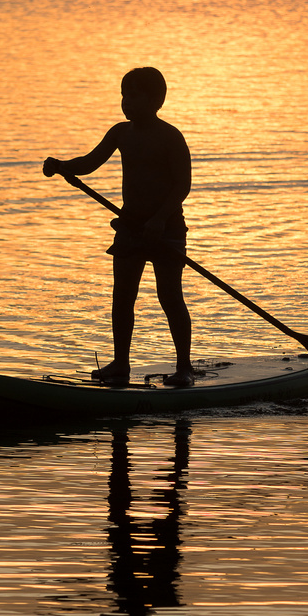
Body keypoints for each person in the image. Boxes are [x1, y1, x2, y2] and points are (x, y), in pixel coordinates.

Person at [42, 67, 194, 387]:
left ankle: (184, 367)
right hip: (130, 228)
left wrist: (159, 219)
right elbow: (90, 162)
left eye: (133, 95)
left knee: (170, 297)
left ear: (155, 100)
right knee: (122, 296)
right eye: (123, 95)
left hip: (166, 230)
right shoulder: (120, 133)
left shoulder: (170, 136)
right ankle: (120, 364)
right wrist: (61, 167)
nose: (126, 102)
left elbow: (182, 185)